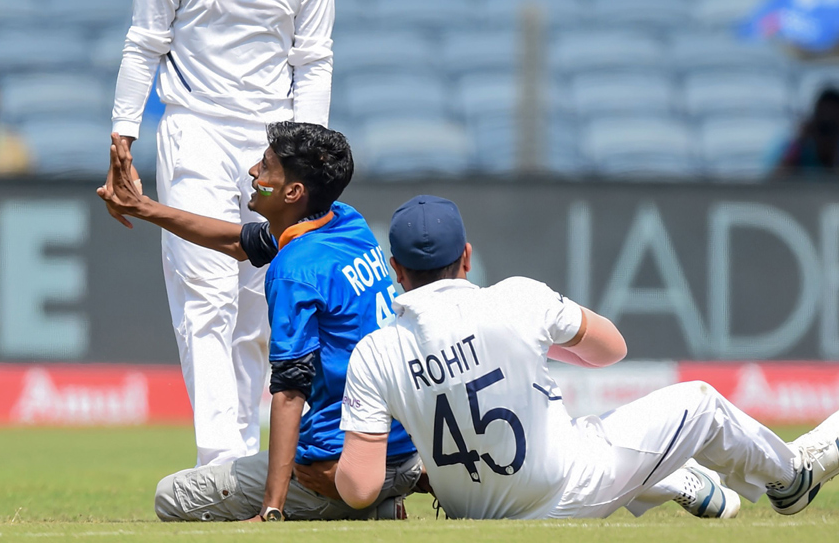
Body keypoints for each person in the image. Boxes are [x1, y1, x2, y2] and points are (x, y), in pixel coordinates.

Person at [334, 196, 839, 521]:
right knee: (700, 403)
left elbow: (357, 488)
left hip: (473, 513)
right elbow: (611, 349)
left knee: (566, 428)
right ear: (466, 257)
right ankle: (789, 477)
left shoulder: (375, 351)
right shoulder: (516, 298)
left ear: (395, 268)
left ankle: (678, 483)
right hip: (567, 492)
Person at [109, 0, 334, 467]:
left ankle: (247, 455)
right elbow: (144, 43)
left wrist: (307, 156)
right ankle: (220, 458)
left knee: (260, 306)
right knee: (205, 293)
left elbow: (313, 62)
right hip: (195, 131)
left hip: (274, 145)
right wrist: (123, 135)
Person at [100, 124, 422, 521]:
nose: (253, 171)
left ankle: (358, 504)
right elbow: (239, 242)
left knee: (171, 496)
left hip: (335, 463)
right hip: (402, 450)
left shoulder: (293, 270)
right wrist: (144, 207)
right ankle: (380, 495)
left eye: (266, 166)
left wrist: (272, 506)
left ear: (293, 193)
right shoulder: (345, 222)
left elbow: (289, 390)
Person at [773, 87, 839, 176]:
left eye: (832, 126)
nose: (827, 133)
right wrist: (799, 142)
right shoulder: (800, 153)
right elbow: (774, 181)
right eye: (822, 126)